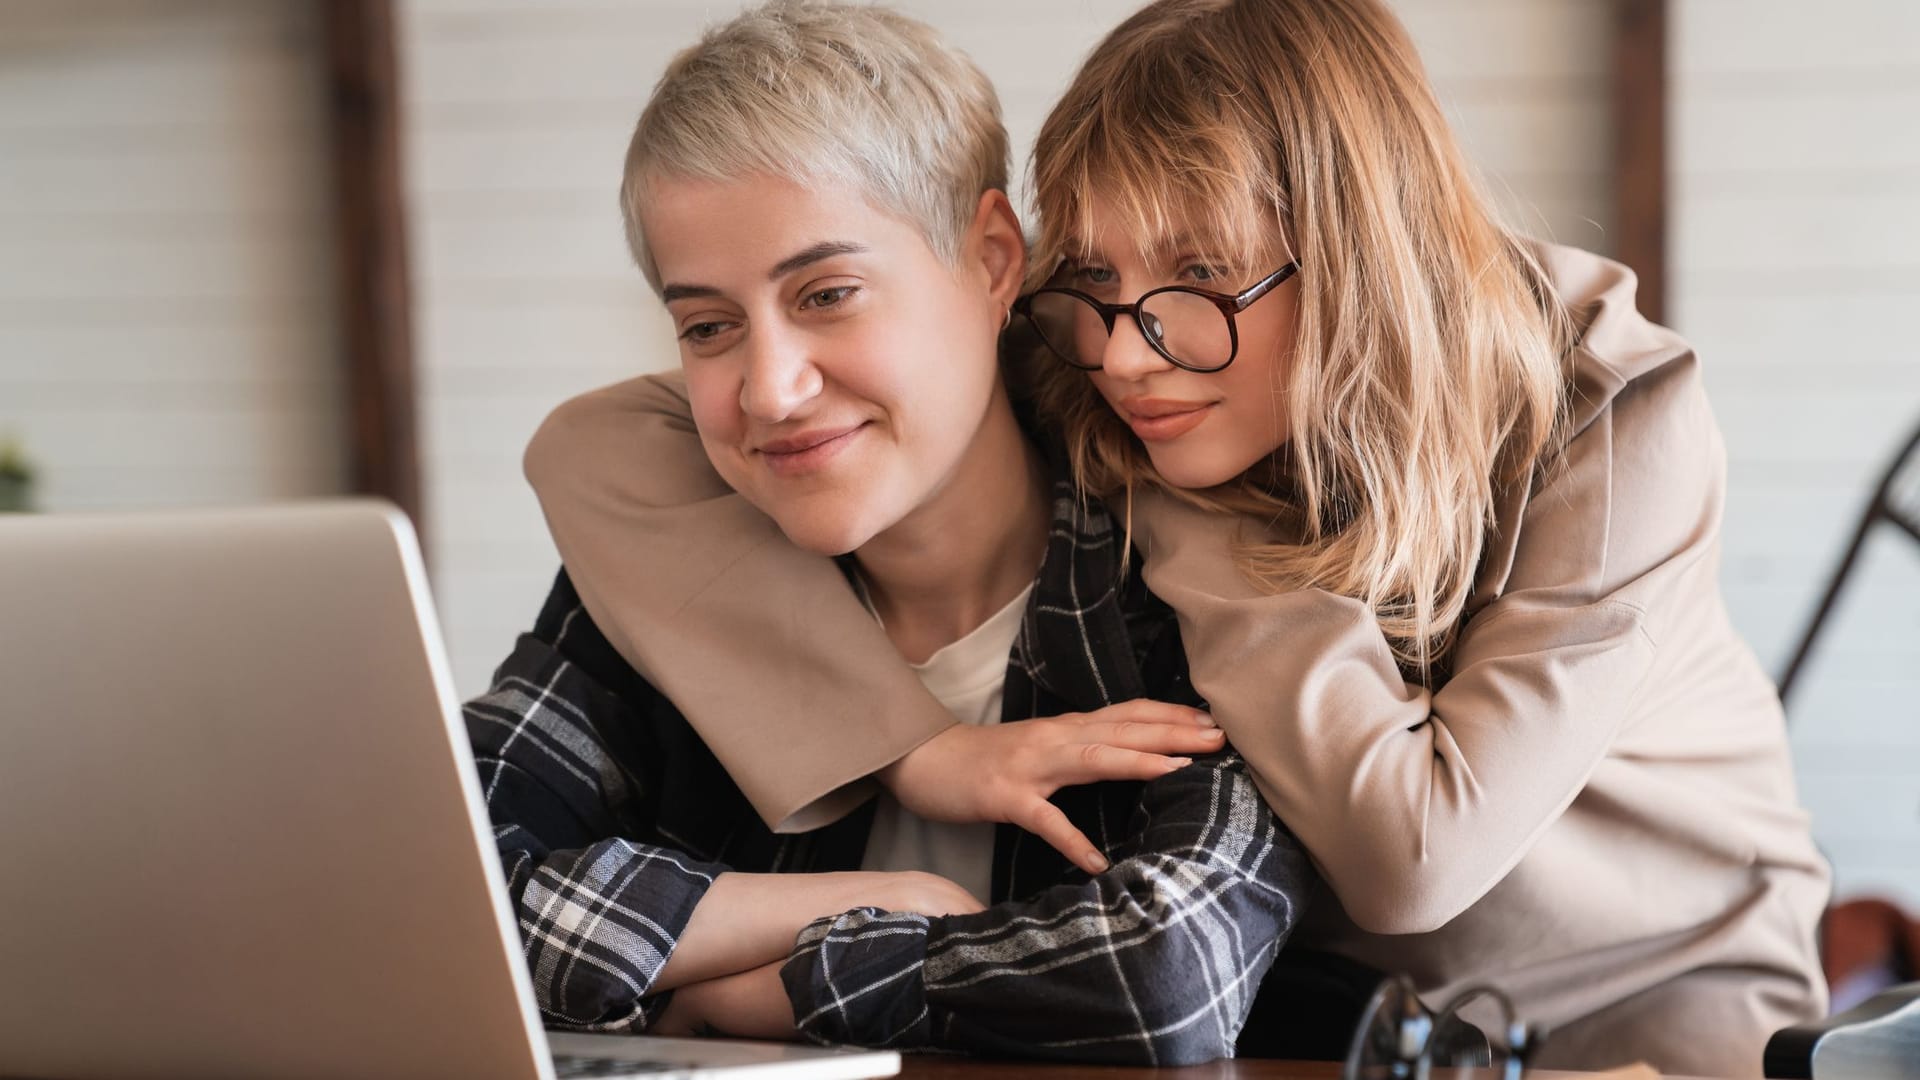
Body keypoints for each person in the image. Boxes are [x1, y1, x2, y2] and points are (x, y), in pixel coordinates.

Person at [521, 0, 1832, 1073]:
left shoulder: (1610, 409)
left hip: (1658, 992)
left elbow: (1409, 854)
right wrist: (918, 753)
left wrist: (1198, 510)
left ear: (1353, 255)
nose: (1130, 358)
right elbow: (595, 448)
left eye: (1199, 279)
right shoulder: (1129, 342)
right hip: (1345, 1022)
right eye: (1089, 281)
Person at [465, 1, 1312, 1065]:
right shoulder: (668, 578)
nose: (769, 391)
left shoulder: (1179, 582)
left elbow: (1166, 973)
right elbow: (438, 883)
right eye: (708, 327)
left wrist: (762, 989)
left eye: (828, 293)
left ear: (994, 259)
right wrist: (884, 902)